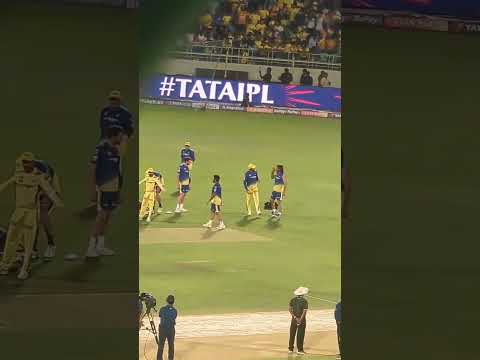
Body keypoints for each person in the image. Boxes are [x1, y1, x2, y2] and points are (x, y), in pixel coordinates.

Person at [0, 152, 63, 280]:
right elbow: (6, 184)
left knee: (30, 240)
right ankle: (5, 265)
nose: (24, 165)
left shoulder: (40, 176)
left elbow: (49, 190)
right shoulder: (19, 174)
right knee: (11, 238)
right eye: (23, 162)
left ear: (32, 163)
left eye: (27, 162)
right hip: (18, 212)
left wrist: (57, 202)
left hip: (31, 211)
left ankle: (25, 267)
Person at [86, 125, 124, 258]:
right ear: (114, 135)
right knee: (101, 217)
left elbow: (117, 171)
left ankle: (100, 246)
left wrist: (119, 190)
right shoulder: (101, 149)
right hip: (103, 188)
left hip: (113, 188)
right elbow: (92, 168)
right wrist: (93, 188)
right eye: (120, 135)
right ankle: (91, 248)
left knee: (108, 217)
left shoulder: (115, 150)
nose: (122, 138)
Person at [31, 158, 61, 260]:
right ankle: (33, 249)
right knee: (32, 218)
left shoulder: (43, 171)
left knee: (42, 213)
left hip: (50, 187)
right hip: (34, 188)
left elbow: (47, 189)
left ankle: (51, 244)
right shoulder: (22, 173)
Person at [99, 90, 135, 157]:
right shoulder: (104, 111)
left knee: (114, 161)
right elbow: (102, 126)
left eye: (116, 99)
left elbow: (130, 130)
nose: (113, 101)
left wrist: (122, 141)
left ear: (119, 101)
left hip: (118, 142)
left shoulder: (125, 114)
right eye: (112, 99)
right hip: (105, 140)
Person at [289, 287, 309, 355]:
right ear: (303, 294)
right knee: (300, 334)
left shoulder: (292, 300)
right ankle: (300, 350)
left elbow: (290, 309)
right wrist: (300, 319)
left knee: (292, 334)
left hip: (294, 320)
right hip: (302, 320)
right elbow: (304, 311)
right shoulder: (304, 301)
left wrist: (294, 317)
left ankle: (290, 349)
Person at [157, 294, 178, 360]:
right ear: (173, 302)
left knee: (161, 345)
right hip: (171, 329)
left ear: (166, 301)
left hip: (162, 329)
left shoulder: (162, 309)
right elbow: (174, 317)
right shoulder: (175, 310)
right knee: (171, 345)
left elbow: (160, 315)